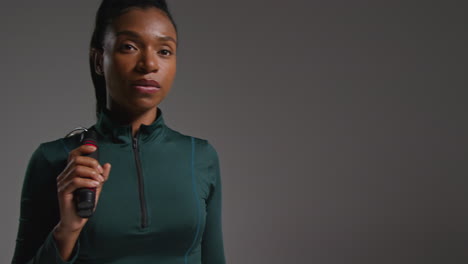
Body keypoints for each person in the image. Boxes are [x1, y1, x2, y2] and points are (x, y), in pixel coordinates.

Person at [11, 0, 226, 263]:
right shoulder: (55, 159)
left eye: (164, 51)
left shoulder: (200, 156)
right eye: (129, 47)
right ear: (99, 59)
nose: (149, 64)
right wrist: (67, 230)